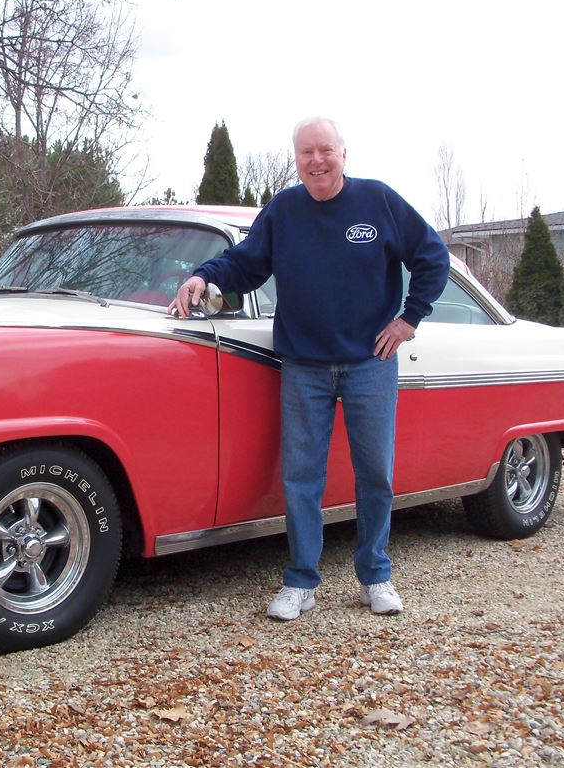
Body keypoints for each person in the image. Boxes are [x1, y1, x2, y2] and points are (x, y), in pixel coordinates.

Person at [170, 116, 450, 620]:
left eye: (325, 150)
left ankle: (376, 576)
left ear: (345, 153)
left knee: (375, 474)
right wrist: (201, 276)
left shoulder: (379, 201)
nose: (316, 161)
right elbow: (246, 264)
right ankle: (301, 582)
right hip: (303, 365)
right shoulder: (284, 210)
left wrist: (409, 319)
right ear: (296, 160)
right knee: (301, 476)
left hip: (371, 362)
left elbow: (433, 256)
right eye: (306, 153)